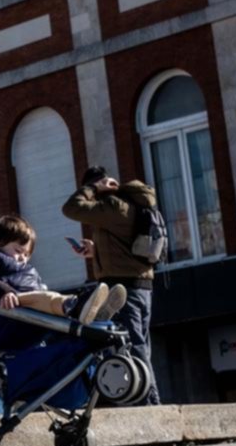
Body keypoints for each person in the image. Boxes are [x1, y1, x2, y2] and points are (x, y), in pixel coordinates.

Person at [61, 165, 161, 405]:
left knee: (132, 347)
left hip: (122, 289)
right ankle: (142, 401)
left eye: (93, 191)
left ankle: (151, 404)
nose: (91, 198)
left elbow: (71, 208)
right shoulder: (131, 204)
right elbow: (127, 250)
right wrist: (94, 253)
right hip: (139, 285)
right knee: (137, 345)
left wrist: (93, 187)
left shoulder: (114, 205)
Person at [0, 214, 127, 324]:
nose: (22, 257)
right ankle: (76, 306)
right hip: (15, 306)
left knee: (53, 298)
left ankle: (95, 312)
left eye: (27, 254)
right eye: (18, 251)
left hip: (35, 307)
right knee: (47, 298)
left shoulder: (24, 268)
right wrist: (4, 291)